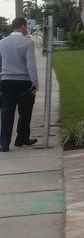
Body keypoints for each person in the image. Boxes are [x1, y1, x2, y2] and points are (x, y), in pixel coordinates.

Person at [0, 17, 39, 151]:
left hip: (6, 81)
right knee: (25, 112)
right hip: (24, 82)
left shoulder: (2, 43)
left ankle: (4, 143)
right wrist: (35, 84)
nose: (26, 29)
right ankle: (22, 138)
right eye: (26, 26)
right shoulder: (27, 43)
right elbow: (31, 66)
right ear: (22, 26)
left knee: (6, 113)